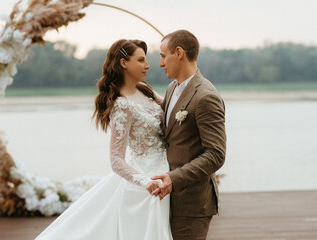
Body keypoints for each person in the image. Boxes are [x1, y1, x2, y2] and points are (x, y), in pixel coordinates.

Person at [35, 39, 173, 240]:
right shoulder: (122, 105)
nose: (148, 65)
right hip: (148, 182)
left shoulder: (145, 89)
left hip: (166, 168)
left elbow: (172, 109)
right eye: (141, 60)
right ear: (124, 63)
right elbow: (116, 160)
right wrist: (145, 182)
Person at [151, 30, 226, 240]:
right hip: (167, 199)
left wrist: (174, 178)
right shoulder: (170, 88)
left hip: (192, 203)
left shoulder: (206, 97)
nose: (160, 63)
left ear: (179, 53)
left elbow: (216, 154)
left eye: (163, 55)